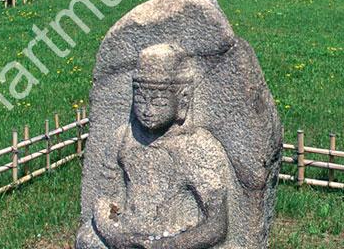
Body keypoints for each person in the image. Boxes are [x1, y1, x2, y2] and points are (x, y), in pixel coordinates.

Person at [76, 43, 233, 249]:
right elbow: (106, 197)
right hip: (127, 231)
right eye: (140, 100)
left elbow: (216, 225)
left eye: (158, 102)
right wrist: (115, 235)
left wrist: (168, 245)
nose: (147, 110)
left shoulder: (198, 147)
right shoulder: (123, 137)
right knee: (87, 239)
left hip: (175, 237)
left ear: (183, 99)